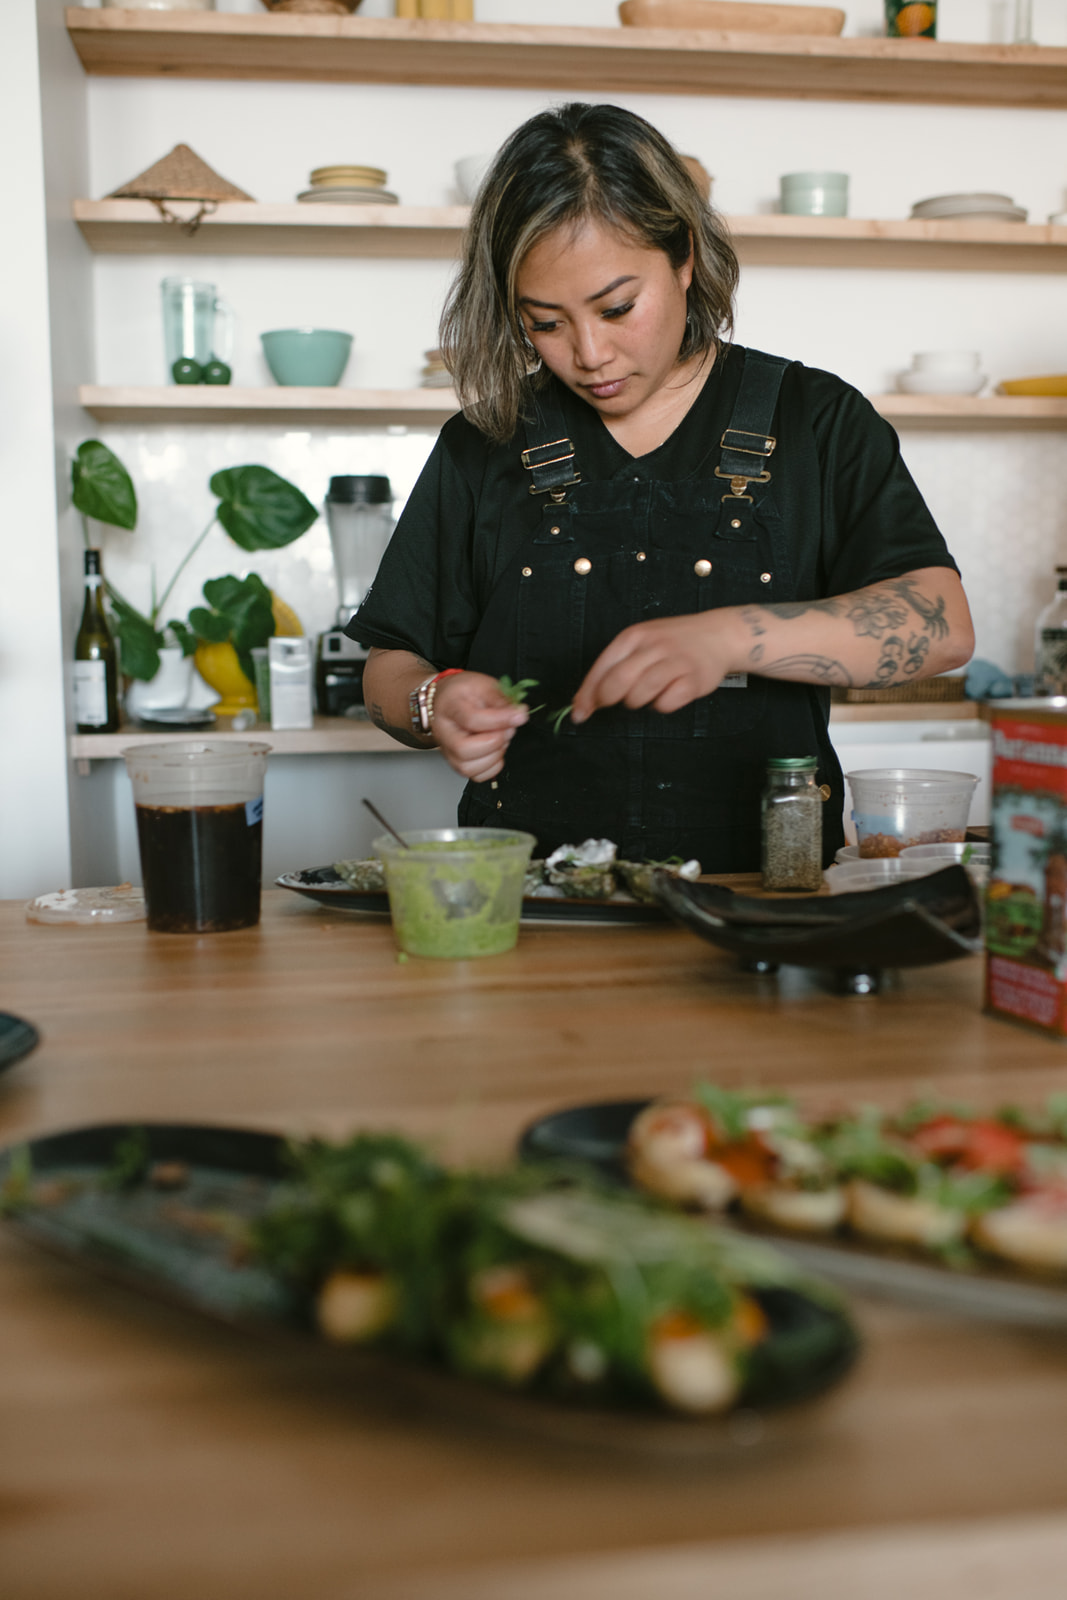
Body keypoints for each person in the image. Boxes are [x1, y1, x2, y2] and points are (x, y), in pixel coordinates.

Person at [350, 102, 974, 870]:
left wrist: (731, 637)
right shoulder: (484, 444)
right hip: (533, 900)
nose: (589, 354)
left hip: (763, 897)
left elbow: (942, 627)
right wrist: (433, 701)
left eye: (617, 308)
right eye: (543, 322)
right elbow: (389, 667)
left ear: (683, 256)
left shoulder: (815, 420)